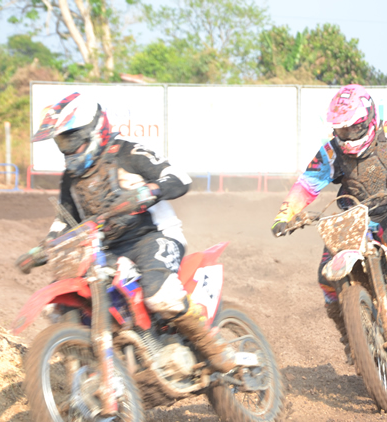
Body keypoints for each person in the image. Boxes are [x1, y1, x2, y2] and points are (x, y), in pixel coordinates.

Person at [16, 92, 236, 373]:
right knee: (64, 306)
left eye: (71, 138)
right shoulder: (71, 178)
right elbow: (65, 220)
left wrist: (148, 192)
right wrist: (42, 249)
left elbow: (179, 178)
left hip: (154, 236)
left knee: (160, 296)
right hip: (105, 250)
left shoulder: (128, 152)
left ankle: (213, 346)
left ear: (93, 129)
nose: (66, 147)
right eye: (61, 141)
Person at [270, 84, 387, 363]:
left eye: (353, 128)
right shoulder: (331, 152)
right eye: (342, 130)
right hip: (350, 219)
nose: (348, 135)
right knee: (326, 278)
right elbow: (306, 184)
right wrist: (285, 215)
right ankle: (350, 336)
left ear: (368, 118)